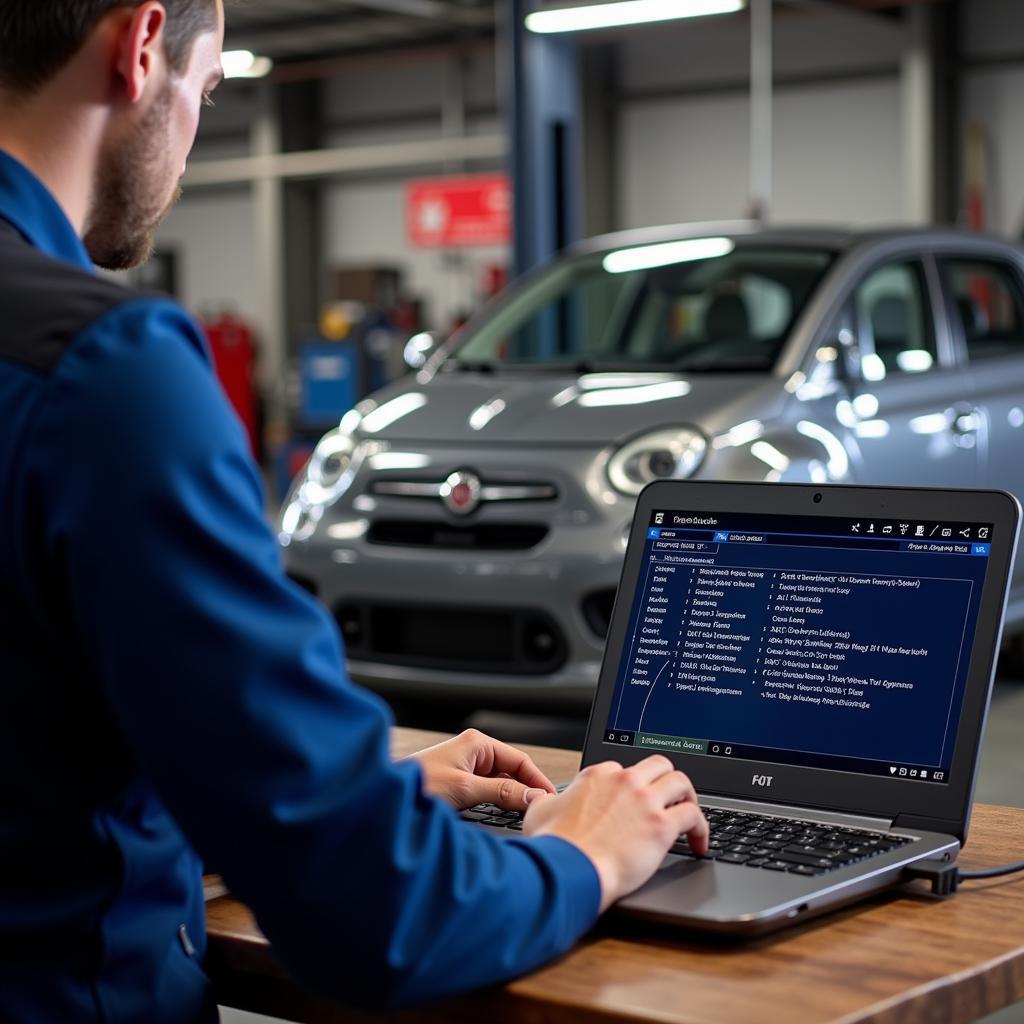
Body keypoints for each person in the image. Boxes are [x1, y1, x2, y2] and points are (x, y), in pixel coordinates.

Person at [0, 2, 709, 1021]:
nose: (192, 140)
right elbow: (376, 918)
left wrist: (341, 799)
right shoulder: (105, 373)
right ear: (141, 46)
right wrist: (583, 850)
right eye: (206, 93)